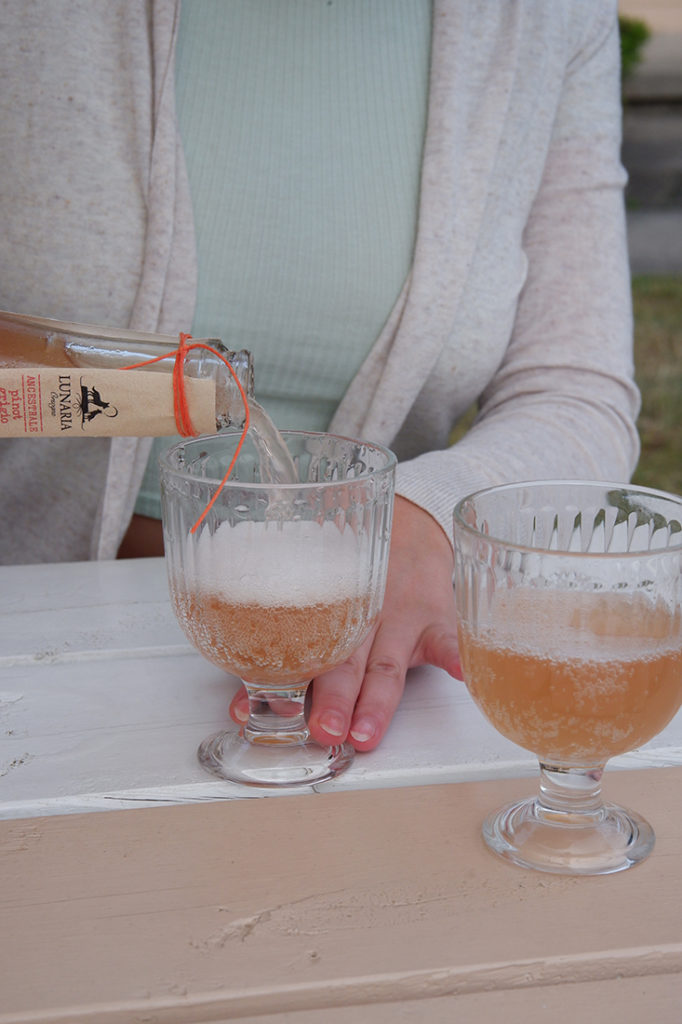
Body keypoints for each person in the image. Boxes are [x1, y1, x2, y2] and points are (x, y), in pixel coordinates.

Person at [0, 1, 639, 754]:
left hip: (380, 707)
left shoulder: (546, 19)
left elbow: (579, 393)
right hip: (32, 676)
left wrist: (430, 517)